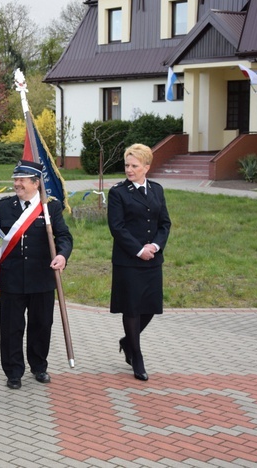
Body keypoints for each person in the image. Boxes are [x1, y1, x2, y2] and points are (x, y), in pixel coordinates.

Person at [0, 159, 73, 390]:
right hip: (12, 277)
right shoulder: (3, 207)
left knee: (41, 325)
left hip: (42, 278)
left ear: (36, 183)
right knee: (11, 327)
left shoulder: (51, 207)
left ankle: (39, 366)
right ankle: (13, 371)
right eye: (15, 179)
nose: (17, 184)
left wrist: (62, 256)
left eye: (22, 180)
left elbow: (64, 237)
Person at [108, 143, 171, 382]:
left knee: (150, 307)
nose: (129, 170)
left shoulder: (157, 190)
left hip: (152, 259)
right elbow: (117, 227)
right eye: (127, 165)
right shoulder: (118, 192)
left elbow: (164, 223)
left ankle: (127, 341)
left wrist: (155, 246)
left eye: (134, 166)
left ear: (146, 167)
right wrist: (138, 250)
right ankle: (136, 355)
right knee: (132, 308)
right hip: (128, 261)